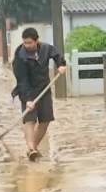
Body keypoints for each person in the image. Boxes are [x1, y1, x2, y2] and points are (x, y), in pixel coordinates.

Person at [11, 28, 67, 161]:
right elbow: (21, 79)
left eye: (30, 43)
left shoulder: (46, 49)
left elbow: (56, 56)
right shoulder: (20, 55)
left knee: (45, 120)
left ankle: (33, 148)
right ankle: (31, 149)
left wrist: (61, 65)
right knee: (29, 120)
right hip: (27, 90)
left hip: (44, 89)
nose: (27, 45)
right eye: (25, 43)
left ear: (36, 40)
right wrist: (27, 99)